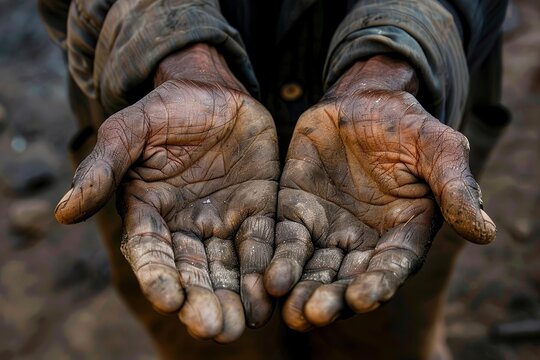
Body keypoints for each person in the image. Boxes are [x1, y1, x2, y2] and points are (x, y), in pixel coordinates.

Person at [39, 0, 510, 358]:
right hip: (164, 152)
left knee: (386, 339)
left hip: (399, 158)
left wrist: (391, 63)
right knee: (211, 345)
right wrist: (176, 52)